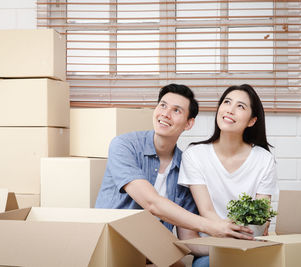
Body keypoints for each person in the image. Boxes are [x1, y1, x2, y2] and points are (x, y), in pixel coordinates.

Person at [95, 84, 253, 264]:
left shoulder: (185, 167)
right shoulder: (124, 146)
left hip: (151, 253)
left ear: (189, 123)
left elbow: (188, 240)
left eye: (176, 110)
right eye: (162, 105)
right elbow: (152, 203)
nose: (165, 114)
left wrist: (236, 242)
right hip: (113, 249)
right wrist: (213, 226)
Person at [178, 84, 278, 267]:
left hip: (249, 244)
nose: (230, 110)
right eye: (227, 102)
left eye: (240, 106)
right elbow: (207, 211)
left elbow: (260, 216)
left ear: (252, 120)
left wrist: (249, 233)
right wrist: (236, 235)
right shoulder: (194, 155)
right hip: (212, 246)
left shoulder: (264, 160)